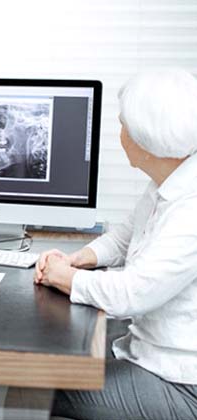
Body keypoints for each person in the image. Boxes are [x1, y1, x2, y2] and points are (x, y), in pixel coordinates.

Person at [35, 69, 197, 419]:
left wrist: (62, 277)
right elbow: (125, 235)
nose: (120, 134)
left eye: (124, 125)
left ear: (146, 138)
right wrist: (78, 258)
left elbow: (132, 294)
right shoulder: (170, 179)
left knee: (32, 385)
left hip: (181, 384)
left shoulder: (191, 208)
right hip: (149, 353)